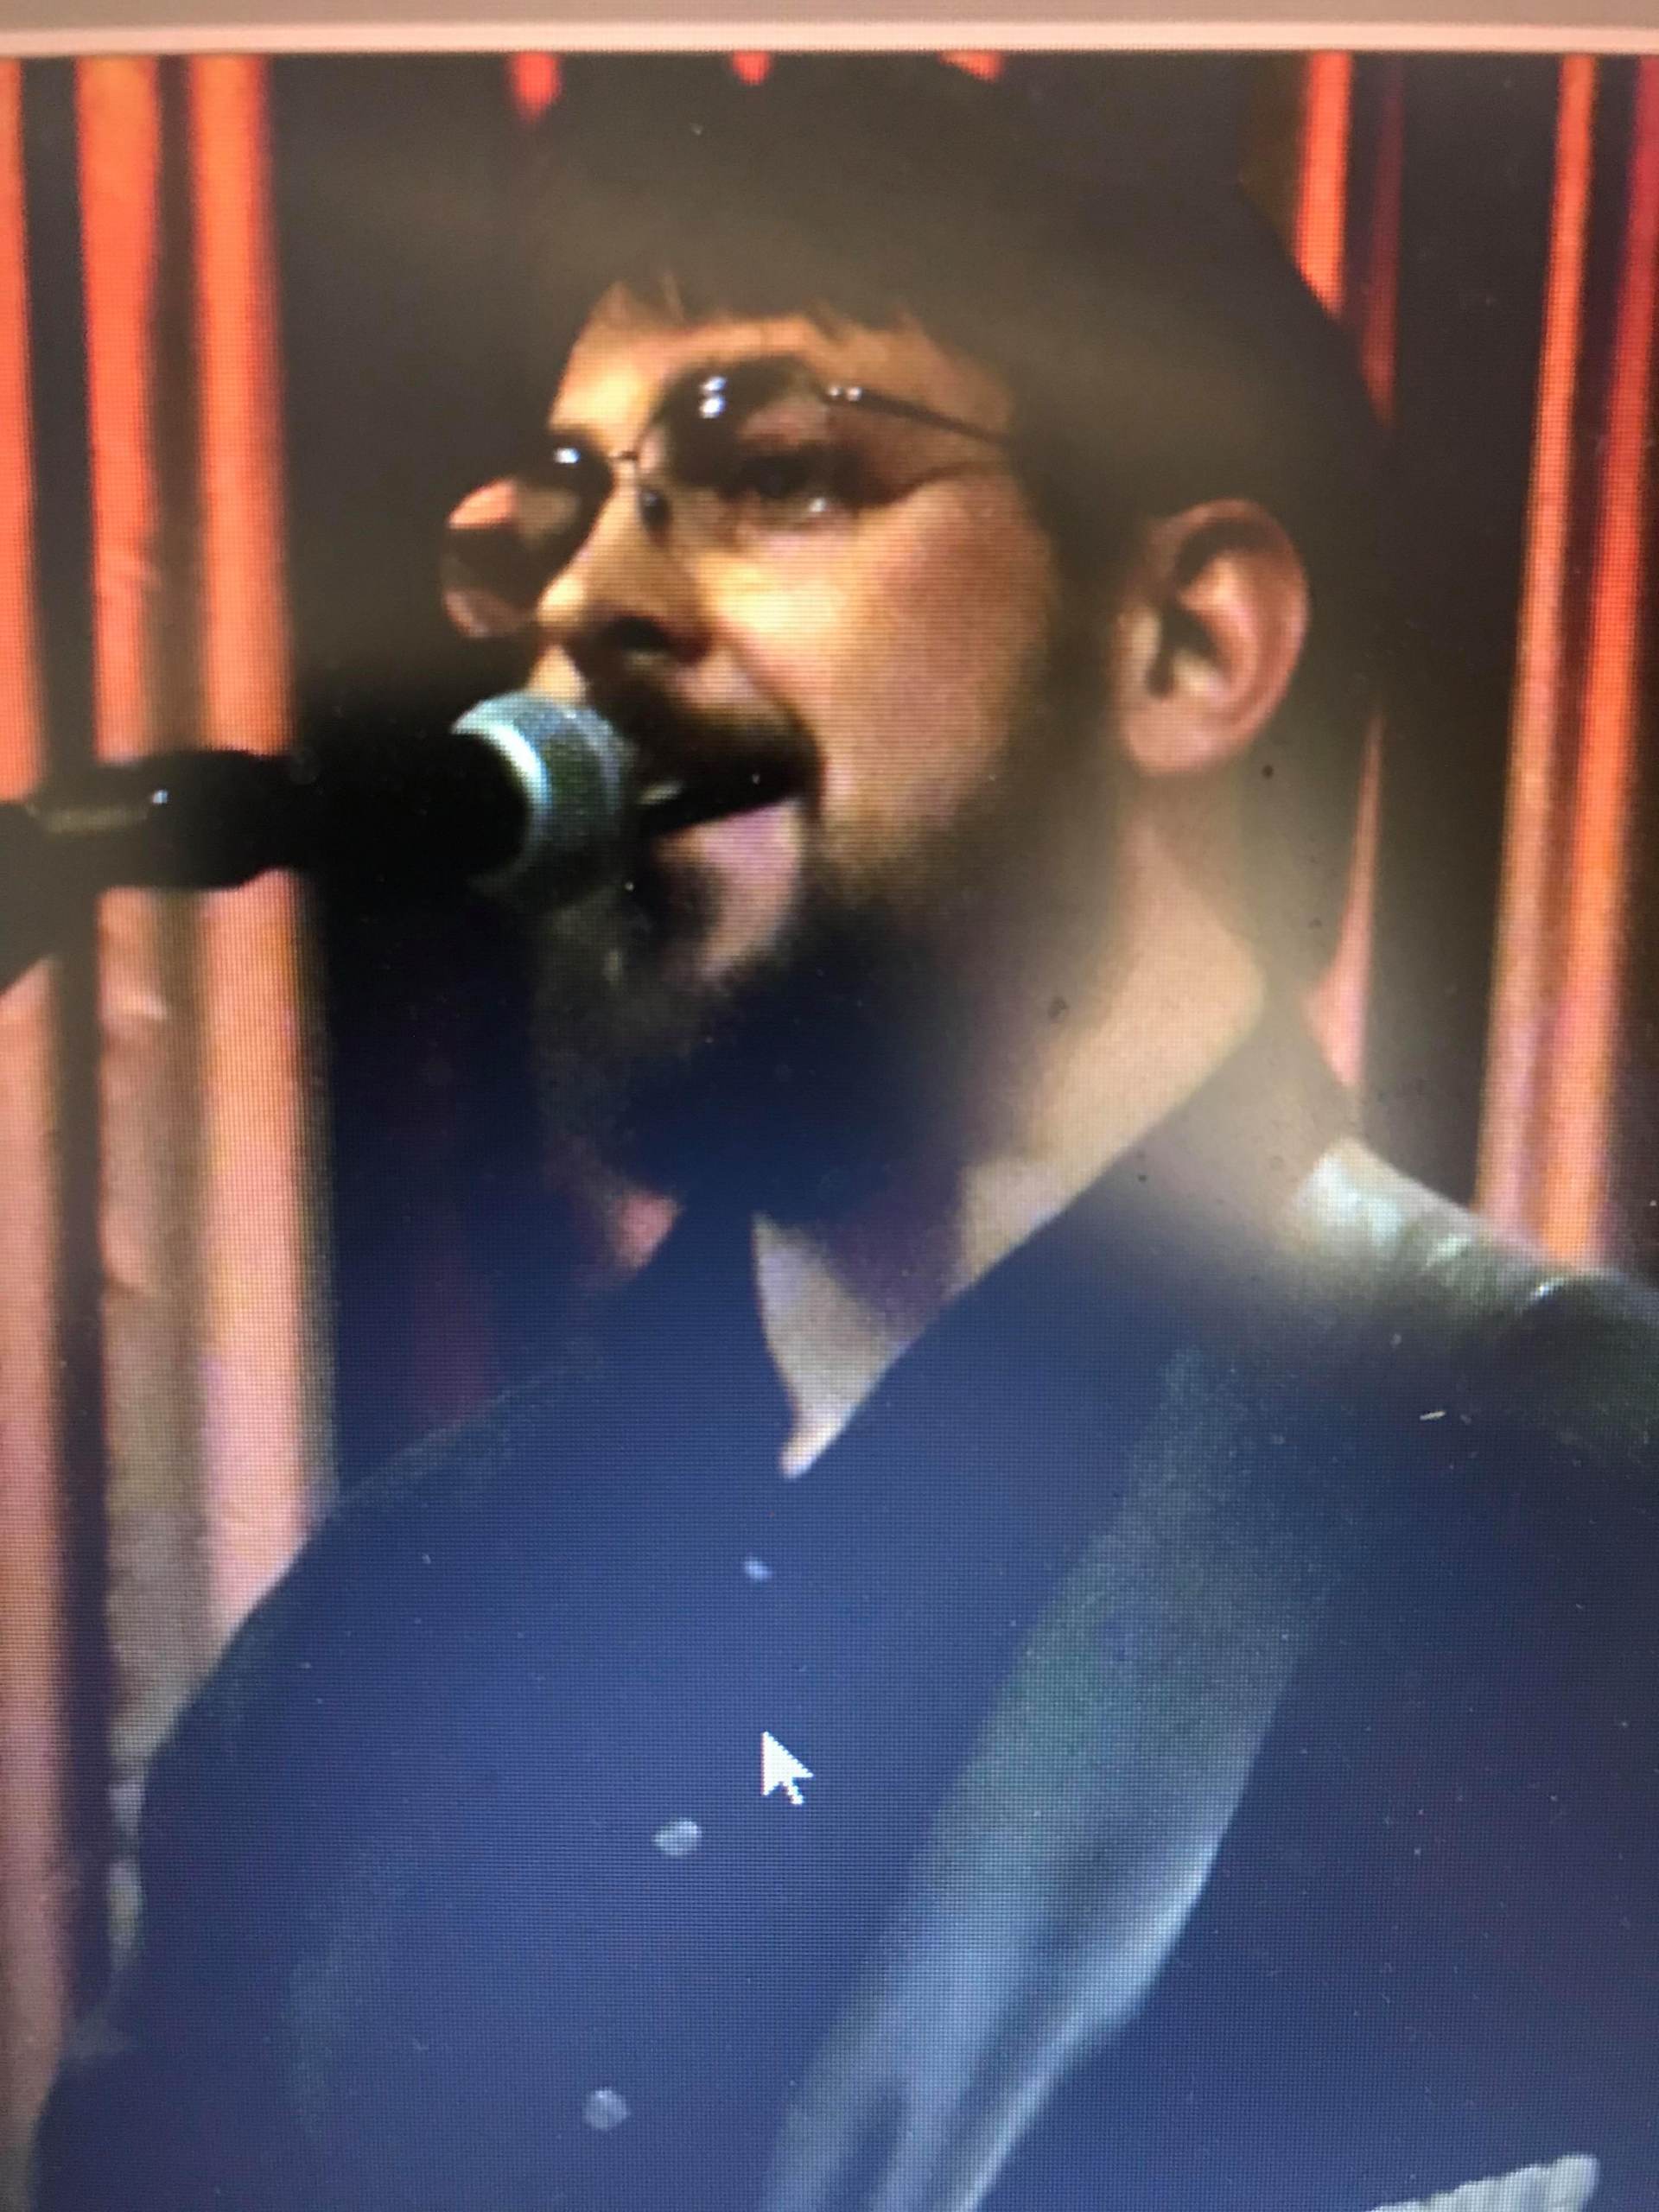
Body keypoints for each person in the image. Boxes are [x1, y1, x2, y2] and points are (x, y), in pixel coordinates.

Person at [31, 54, 1659, 2212]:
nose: (584, 600)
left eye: (771, 469)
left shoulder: (1587, 1509)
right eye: (564, 506)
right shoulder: (374, 1621)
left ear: (1186, 642)